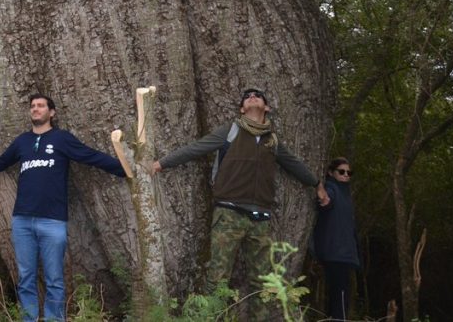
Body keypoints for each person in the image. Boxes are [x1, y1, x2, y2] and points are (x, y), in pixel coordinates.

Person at [150, 87, 329, 320]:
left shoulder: (271, 140)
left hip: (260, 219)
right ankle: (209, 318)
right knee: (217, 277)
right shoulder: (231, 131)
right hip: (229, 214)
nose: (252, 97)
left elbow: (293, 164)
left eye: (258, 96)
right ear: (242, 108)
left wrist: (317, 184)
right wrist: (160, 164)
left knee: (263, 281)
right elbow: (197, 148)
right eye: (247, 97)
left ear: (267, 107)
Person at [0, 94, 128, 322]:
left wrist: (124, 168)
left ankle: (54, 319)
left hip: (52, 221)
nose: (35, 109)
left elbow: (91, 156)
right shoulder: (22, 141)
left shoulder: (62, 139)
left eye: (40, 106)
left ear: (52, 112)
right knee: (26, 277)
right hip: (22, 221)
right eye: (32, 106)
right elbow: (0, 162)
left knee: (54, 279)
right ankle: (29, 318)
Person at [312, 157, 359, 321]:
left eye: (349, 172)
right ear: (331, 173)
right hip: (334, 251)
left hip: (344, 252)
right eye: (341, 171)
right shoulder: (332, 188)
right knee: (340, 293)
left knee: (340, 292)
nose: (346, 175)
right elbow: (326, 200)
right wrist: (322, 195)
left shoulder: (346, 194)